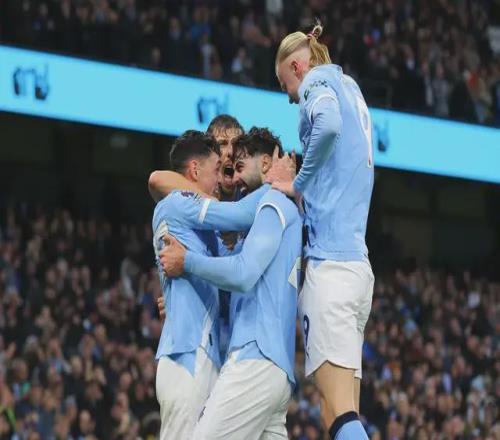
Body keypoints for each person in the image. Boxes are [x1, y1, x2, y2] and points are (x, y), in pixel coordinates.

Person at [160, 127, 301, 439]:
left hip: (255, 357)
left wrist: (187, 262)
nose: (234, 179)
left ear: (267, 163)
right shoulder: (278, 216)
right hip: (278, 371)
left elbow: (242, 273)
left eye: (240, 166)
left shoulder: (272, 203)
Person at [270, 21, 375, 440]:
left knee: (339, 412)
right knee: (338, 414)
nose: (289, 97)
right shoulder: (351, 88)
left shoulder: (317, 84)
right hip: (357, 267)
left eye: (286, 86)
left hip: (331, 267)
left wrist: (298, 184)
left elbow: (327, 125)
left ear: (298, 67)